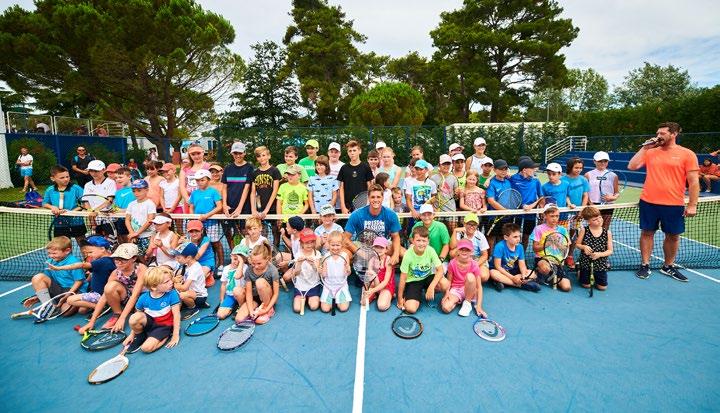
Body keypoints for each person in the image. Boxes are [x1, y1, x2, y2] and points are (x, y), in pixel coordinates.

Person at [628, 121, 699, 281]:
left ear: (674, 134)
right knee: (647, 233)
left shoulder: (687, 154)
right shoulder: (650, 152)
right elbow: (632, 166)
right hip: (648, 201)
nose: (659, 136)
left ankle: (668, 266)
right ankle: (645, 265)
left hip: (674, 204)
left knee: (673, 236)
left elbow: (694, 182)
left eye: (663, 133)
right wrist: (645, 147)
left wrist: (693, 204)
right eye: (658, 133)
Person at [79, 243, 147, 333]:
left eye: (123, 260)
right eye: (116, 259)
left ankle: (128, 313)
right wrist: (92, 321)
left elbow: (135, 295)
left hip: (143, 298)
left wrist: (122, 319)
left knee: (140, 319)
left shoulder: (141, 269)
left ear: (134, 258)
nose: (118, 262)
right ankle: (117, 313)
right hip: (128, 297)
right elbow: (104, 296)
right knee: (109, 287)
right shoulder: (116, 273)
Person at [124, 265, 181, 352]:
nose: (171, 283)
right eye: (166, 282)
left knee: (145, 348)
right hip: (150, 323)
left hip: (164, 326)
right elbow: (138, 315)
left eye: (170, 280)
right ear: (154, 287)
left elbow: (176, 315)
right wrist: (132, 335)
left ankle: (166, 336)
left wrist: (175, 335)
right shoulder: (143, 298)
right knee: (134, 318)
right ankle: (140, 336)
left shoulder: (172, 294)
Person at [28, 236, 87, 319]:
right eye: (49, 253)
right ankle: (48, 307)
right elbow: (46, 281)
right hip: (59, 289)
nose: (51, 256)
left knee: (65, 312)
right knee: (38, 277)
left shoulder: (74, 262)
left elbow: (79, 281)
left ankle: (83, 301)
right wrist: (39, 296)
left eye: (54, 253)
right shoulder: (50, 263)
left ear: (67, 251)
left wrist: (68, 294)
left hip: (75, 290)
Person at [56, 236, 115, 317]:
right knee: (82, 310)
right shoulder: (108, 259)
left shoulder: (102, 261)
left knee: (70, 300)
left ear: (102, 249)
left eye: (90, 252)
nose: (89, 255)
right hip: (99, 293)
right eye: (87, 253)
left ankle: (101, 307)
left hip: (99, 294)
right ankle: (102, 305)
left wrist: (59, 268)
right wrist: (87, 280)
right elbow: (93, 274)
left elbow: (82, 265)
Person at [344, 184, 402, 266]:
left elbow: (396, 236)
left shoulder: (391, 214)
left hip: (381, 245)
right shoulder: (357, 214)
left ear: (382, 198)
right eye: (373, 197)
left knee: (403, 252)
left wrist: (395, 255)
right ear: (368, 198)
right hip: (362, 246)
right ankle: (349, 275)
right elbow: (345, 238)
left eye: (378, 197)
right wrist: (360, 252)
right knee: (344, 253)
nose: (375, 199)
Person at [397, 226, 449, 314]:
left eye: (424, 241)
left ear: (428, 241)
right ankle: (415, 295)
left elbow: (440, 270)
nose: (421, 243)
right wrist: (399, 298)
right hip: (413, 281)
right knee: (411, 309)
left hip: (427, 277)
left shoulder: (431, 250)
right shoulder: (407, 255)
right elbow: (403, 278)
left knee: (445, 284)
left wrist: (432, 286)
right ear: (412, 241)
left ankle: (427, 292)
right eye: (418, 240)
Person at [188, 169, 223, 274]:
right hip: (199, 223)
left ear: (208, 180)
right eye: (198, 180)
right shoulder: (194, 193)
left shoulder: (213, 192)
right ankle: (202, 263)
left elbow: (219, 206)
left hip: (212, 222)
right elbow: (191, 207)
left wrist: (207, 215)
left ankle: (220, 264)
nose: (199, 182)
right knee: (199, 243)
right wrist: (193, 218)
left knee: (215, 243)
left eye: (202, 180)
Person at [529, 205, 572, 292]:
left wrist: (557, 243)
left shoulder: (563, 230)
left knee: (566, 287)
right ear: (545, 216)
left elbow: (565, 250)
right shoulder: (538, 229)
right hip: (543, 259)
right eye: (552, 216)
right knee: (545, 268)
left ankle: (551, 276)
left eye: (557, 216)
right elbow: (535, 248)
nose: (555, 219)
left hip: (558, 261)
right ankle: (539, 271)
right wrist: (548, 242)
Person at [441, 239, 487, 317]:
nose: (464, 252)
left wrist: (479, 306)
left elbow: (479, 287)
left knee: (470, 276)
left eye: (467, 250)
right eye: (461, 249)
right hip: (456, 290)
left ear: (471, 252)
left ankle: (467, 303)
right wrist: (446, 294)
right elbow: (449, 281)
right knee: (446, 308)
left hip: (470, 290)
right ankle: (460, 300)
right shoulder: (452, 263)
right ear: (457, 251)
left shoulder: (474, 265)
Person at [236, 244, 280, 324]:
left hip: (268, 298)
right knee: (239, 319)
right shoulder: (249, 270)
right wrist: (250, 310)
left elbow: (276, 294)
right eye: (253, 263)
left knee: (259, 282)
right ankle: (256, 308)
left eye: (259, 263)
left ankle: (269, 310)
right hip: (255, 298)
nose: (255, 266)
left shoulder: (273, 270)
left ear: (267, 259)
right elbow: (249, 293)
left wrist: (265, 310)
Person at [488, 223, 538, 292]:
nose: (518, 239)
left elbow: (522, 264)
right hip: (500, 271)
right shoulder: (499, 246)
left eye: (519, 236)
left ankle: (505, 282)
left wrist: (523, 276)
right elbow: (498, 267)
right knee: (493, 273)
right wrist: (513, 278)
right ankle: (520, 285)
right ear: (506, 237)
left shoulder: (520, 247)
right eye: (515, 237)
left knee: (532, 273)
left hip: (513, 270)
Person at [221, 142, 254, 246]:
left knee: (246, 232)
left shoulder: (249, 168)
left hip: (245, 208)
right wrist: (224, 205)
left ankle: (248, 256)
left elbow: (247, 188)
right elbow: (224, 188)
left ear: (244, 153)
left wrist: (239, 208)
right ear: (232, 154)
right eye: (235, 153)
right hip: (229, 206)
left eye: (240, 153)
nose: (238, 155)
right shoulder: (228, 168)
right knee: (231, 233)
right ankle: (234, 255)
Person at [43, 165, 86, 244]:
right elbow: (44, 203)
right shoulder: (50, 190)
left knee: (83, 244)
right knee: (63, 246)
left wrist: (70, 212)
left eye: (67, 176)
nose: (66, 179)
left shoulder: (76, 188)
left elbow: (84, 204)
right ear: (53, 178)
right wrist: (52, 207)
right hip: (59, 222)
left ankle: (86, 257)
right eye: (62, 178)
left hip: (76, 221)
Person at [575, 206, 613, 292]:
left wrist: (599, 254)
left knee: (602, 288)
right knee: (586, 285)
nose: (599, 220)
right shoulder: (584, 230)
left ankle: (595, 276)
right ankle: (579, 270)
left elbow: (610, 251)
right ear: (588, 221)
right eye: (595, 219)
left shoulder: (607, 233)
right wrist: (584, 247)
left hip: (600, 264)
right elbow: (577, 244)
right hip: (586, 262)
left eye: (599, 217)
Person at [249, 146, 281, 245]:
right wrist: (253, 209)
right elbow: (253, 192)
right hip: (259, 209)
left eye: (264, 155)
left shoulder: (274, 171)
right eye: (259, 156)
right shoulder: (255, 173)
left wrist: (267, 210)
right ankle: (263, 254)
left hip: (273, 208)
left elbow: (275, 191)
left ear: (269, 156)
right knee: (262, 234)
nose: (261, 158)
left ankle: (275, 255)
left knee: (276, 232)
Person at [509, 157, 543, 249]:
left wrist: (538, 210)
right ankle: (514, 255)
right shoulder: (513, 179)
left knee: (526, 236)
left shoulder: (536, 181)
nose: (534, 170)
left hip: (531, 213)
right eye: (532, 168)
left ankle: (522, 256)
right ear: (524, 170)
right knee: (515, 236)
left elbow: (541, 197)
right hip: (517, 213)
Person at [288, 229, 322, 314]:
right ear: (301, 243)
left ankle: (310, 298)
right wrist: (299, 263)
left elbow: (319, 272)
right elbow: (295, 274)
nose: (310, 245)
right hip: (300, 285)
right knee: (297, 309)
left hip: (313, 285)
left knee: (314, 306)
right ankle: (304, 297)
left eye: (312, 242)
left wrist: (313, 264)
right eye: (307, 242)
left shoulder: (317, 253)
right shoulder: (298, 254)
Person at [319, 231, 352, 313]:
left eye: (338, 245)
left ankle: (339, 300)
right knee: (325, 309)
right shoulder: (325, 257)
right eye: (333, 245)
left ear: (342, 245)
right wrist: (320, 271)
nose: (335, 248)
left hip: (341, 286)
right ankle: (332, 300)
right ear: (328, 244)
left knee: (343, 308)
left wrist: (348, 270)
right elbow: (324, 275)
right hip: (328, 286)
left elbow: (348, 273)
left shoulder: (345, 256)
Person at [585, 151, 619, 229]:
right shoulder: (588, 175)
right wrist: (590, 204)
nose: (603, 163)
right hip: (593, 205)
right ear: (594, 161)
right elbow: (585, 192)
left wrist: (613, 198)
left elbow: (616, 192)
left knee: (605, 228)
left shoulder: (614, 176)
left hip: (608, 205)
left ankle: (604, 241)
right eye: (600, 161)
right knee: (593, 228)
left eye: (605, 161)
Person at [338, 140, 374, 214]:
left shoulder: (366, 167)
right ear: (348, 153)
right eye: (350, 151)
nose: (352, 153)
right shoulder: (344, 168)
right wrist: (343, 206)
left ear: (359, 151)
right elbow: (341, 188)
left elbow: (370, 187)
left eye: (354, 150)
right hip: (347, 207)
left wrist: (368, 203)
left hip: (363, 205)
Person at [125, 179, 156, 259]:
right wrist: (132, 233)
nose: (136, 193)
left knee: (147, 257)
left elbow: (150, 220)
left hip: (147, 236)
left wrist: (137, 233)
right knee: (136, 258)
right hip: (134, 236)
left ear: (147, 190)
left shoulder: (150, 204)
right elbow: (127, 219)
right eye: (134, 191)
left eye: (139, 190)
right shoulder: (131, 204)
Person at [173, 242, 209, 310]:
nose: (176, 260)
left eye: (178, 258)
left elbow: (184, 288)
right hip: (190, 292)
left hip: (199, 296)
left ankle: (193, 308)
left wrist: (173, 284)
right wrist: (175, 279)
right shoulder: (186, 265)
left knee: (182, 295)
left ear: (189, 257)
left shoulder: (195, 268)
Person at [363, 236, 395, 311]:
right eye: (376, 247)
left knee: (382, 306)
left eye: (381, 247)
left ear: (386, 249)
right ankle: (377, 294)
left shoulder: (388, 260)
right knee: (363, 302)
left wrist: (372, 291)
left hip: (386, 286)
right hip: (374, 284)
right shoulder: (372, 259)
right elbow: (368, 277)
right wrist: (367, 287)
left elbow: (385, 282)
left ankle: (388, 295)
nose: (378, 250)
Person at [218, 245, 249, 320]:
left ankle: (241, 306)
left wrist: (241, 262)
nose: (237, 261)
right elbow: (223, 284)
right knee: (220, 315)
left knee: (237, 292)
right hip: (230, 295)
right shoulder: (226, 269)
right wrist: (222, 299)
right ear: (231, 256)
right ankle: (233, 306)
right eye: (235, 258)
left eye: (240, 259)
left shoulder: (245, 267)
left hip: (241, 295)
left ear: (244, 260)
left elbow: (238, 275)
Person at [430, 154, 459, 233]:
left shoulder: (453, 177)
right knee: (437, 233)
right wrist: (433, 208)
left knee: (452, 233)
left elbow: (456, 196)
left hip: (451, 211)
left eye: (448, 164)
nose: (446, 166)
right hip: (437, 212)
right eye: (444, 164)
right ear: (439, 165)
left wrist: (458, 193)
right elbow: (431, 196)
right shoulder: (433, 178)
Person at [179, 143, 210, 213]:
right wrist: (188, 200)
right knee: (192, 223)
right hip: (189, 203)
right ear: (189, 155)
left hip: (205, 201)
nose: (196, 156)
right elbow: (182, 186)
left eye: (198, 153)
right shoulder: (185, 169)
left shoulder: (209, 167)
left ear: (203, 152)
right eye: (193, 154)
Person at [185, 219, 216, 287]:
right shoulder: (186, 240)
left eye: (197, 231)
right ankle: (206, 277)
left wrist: (187, 245)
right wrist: (181, 245)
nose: (194, 234)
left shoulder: (206, 240)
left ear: (202, 231)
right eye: (191, 231)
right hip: (191, 262)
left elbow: (197, 257)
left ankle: (209, 274)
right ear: (188, 232)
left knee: (197, 277)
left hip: (206, 262)